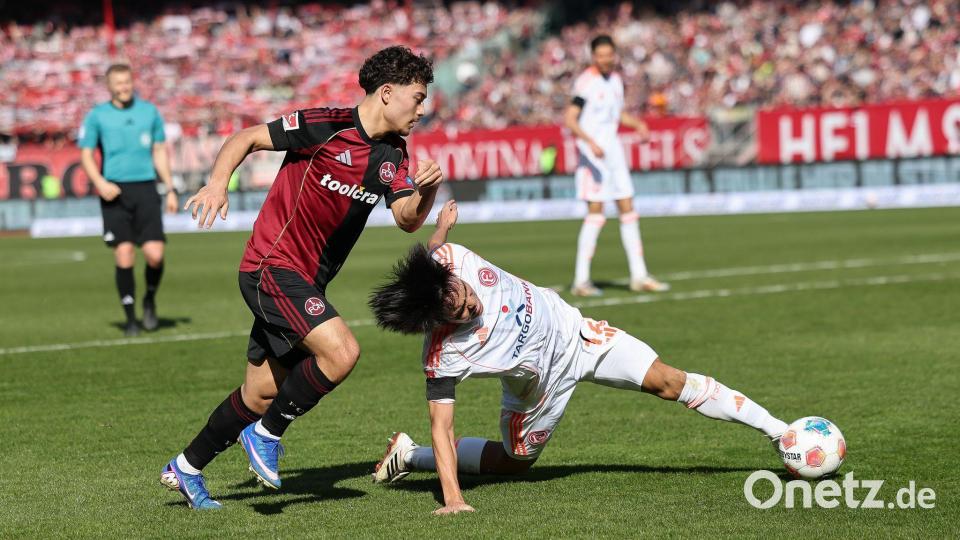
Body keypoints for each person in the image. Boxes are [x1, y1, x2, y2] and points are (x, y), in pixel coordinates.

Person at [368, 200, 787, 515]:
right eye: (458, 313)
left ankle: (780, 433)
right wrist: (453, 500)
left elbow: (434, 250)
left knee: (667, 380)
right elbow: (442, 427)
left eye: (464, 295)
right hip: (540, 391)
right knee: (513, 465)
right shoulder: (443, 355)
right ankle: (409, 455)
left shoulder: (449, 260)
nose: (470, 306)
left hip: (579, 334)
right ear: (436, 321)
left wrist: (442, 225)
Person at [159, 46, 442, 510]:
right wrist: (217, 183)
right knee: (342, 352)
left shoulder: (395, 154)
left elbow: (407, 219)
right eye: (418, 97)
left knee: (259, 393)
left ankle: (186, 467)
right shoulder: (324, 125)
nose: (422, 109)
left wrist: (427, 191)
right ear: (387, 93)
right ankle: (267, 435)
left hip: (305, 283)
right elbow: (247, 138)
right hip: (271, 266)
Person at [564, 35, 668, 297]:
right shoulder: (586, 82)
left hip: (613, 153)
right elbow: (570, 119)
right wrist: (590, 142)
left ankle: (639, 276)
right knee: (596, 213)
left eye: (609, 54)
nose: (605, 59)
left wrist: (638, 124)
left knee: (628, 208)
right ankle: (581, 281)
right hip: (593, 155)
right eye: (600, 55)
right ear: (593, 57)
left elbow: (616, 114)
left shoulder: (616, 81)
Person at [79, 64, 179, 336]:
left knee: (155, 256)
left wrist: (170, 188)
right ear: (109, 86)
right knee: (124, 254)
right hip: (115, 190)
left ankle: (149, 299)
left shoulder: (149, 112)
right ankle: (131, 319)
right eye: (118, 83)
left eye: (127, 81)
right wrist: (100, 183)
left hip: (146, 188)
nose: (124, 87)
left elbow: (159, 150)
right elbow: (86, 154)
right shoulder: (97, 116)